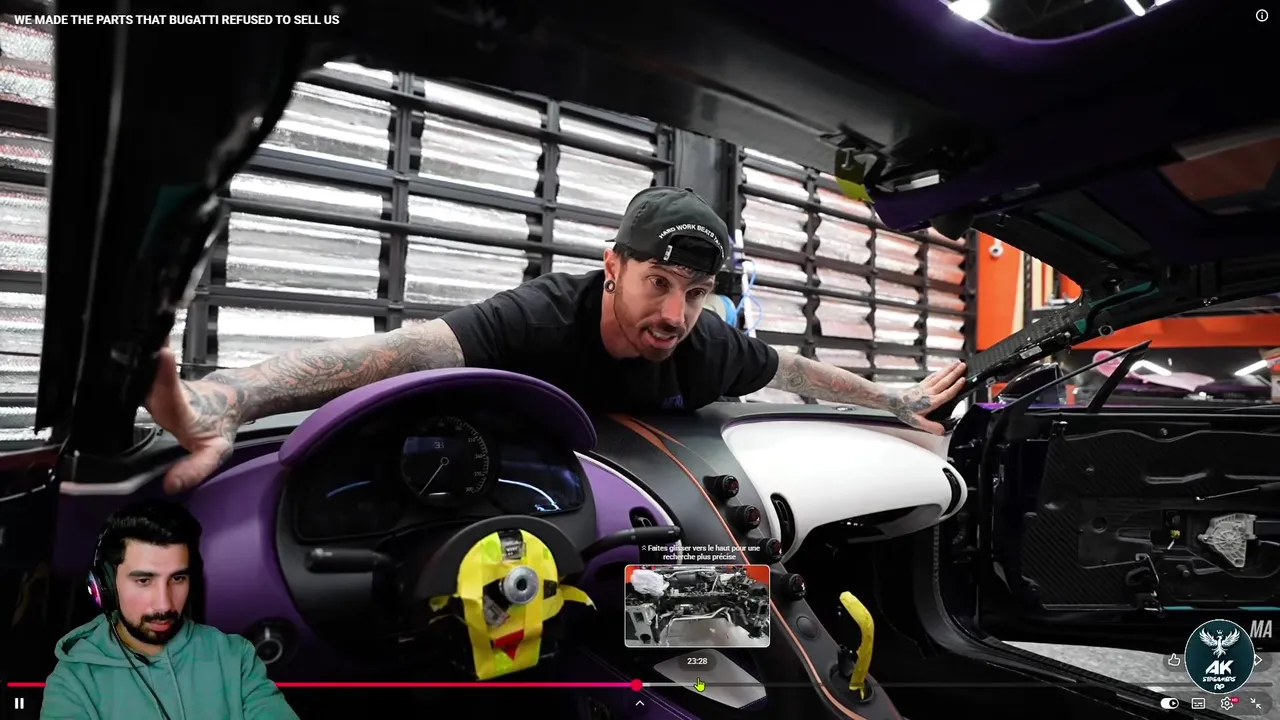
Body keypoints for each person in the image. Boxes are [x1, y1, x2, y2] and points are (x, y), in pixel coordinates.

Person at [147, 186, 966, 494]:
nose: (674, 313)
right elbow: (401, 352)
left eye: (695, 293)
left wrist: (893, 402)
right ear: (613, 267)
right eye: (658, 283)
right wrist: (230, 399)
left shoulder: (704, 345)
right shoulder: (541, 316)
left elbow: (793, 371)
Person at [40, 500, 299, 720]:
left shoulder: (234, 657)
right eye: (144, 580)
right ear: (105, 585)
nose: (164, 604)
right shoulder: (72, 683)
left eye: (177, 578)